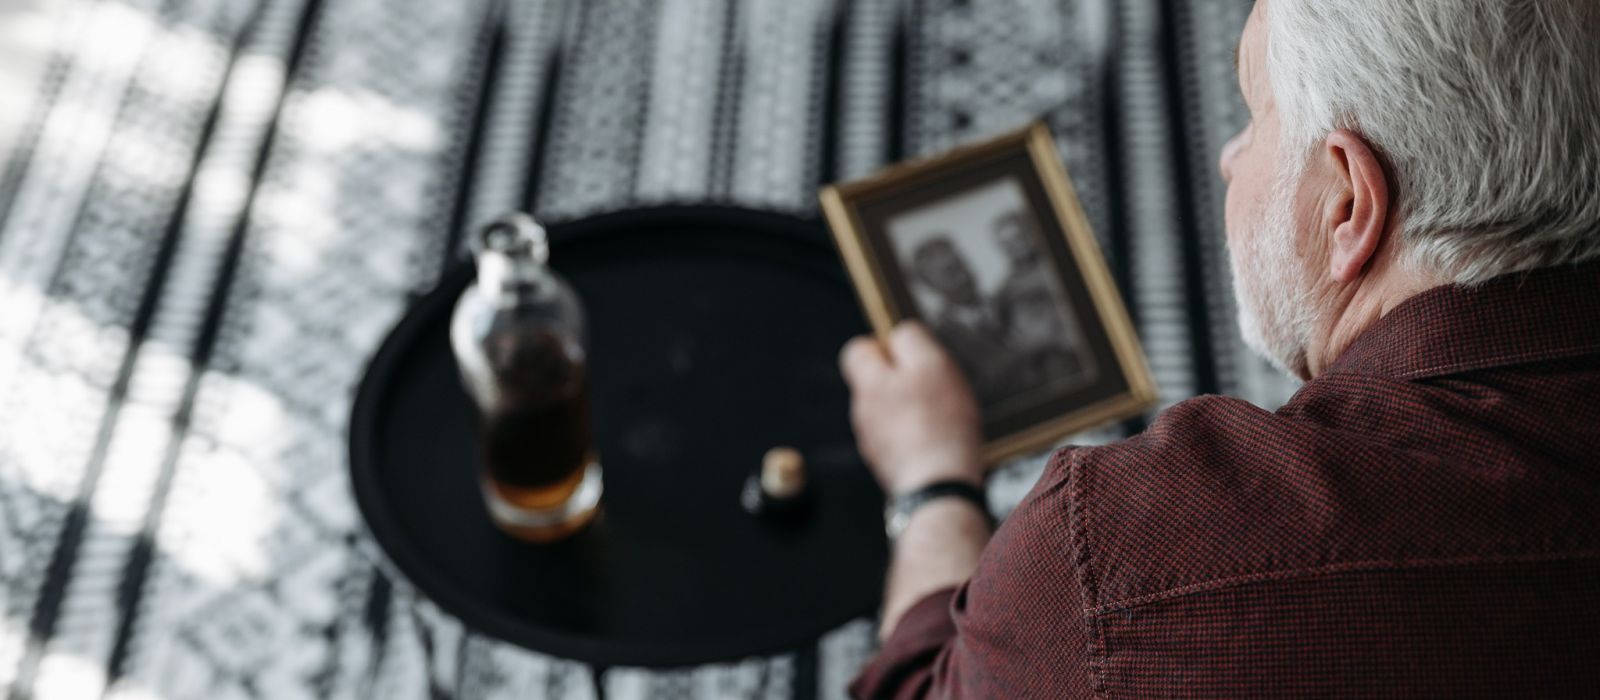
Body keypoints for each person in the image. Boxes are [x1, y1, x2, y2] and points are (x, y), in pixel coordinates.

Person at [840, 0, 1600, 696]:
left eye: (1254, 113)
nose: (1229, 156)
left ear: (1348, 206)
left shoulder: (1120, 552)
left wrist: (931, 486)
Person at [907, 237, 1019, 406]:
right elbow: (968, 396)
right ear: (930, 285)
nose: (964, 274)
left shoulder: (1010, 300)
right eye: (950, 271)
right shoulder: (938, 338)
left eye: (962, 263)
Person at [990, 211, 1088, 391]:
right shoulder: (1005, 293)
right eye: (1007, 244)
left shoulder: (1068, 262)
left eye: (1019, 237)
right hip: (1051, 362)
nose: (1015, 247)